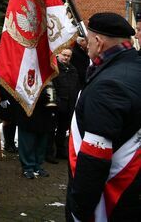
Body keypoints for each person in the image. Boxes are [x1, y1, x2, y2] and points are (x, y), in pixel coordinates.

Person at [66, 12, 141, 221]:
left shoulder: (107, 86)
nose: (85, 45)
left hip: (112, 203)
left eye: (88, 40)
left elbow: (94, 158)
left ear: (98, 43)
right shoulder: (133, 67)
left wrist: (78, 210)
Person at [50, 48, 79, 160]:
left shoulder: (72, 69)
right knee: (51, 130)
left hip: (69, 104)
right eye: (64, 55)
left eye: (68, 56)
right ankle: (50, 153)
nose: (66, 58)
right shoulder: (53, 68)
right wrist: (54, 102)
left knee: (63, 130)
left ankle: (60, 151)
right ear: (58, 54)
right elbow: (50, 86)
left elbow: (76, 86)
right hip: (56, 104)